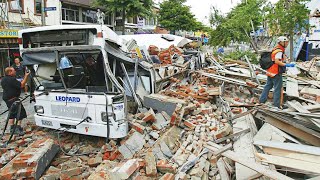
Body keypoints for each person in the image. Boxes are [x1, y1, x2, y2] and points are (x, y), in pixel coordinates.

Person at [259, 36, 295, 108]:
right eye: (286, 42)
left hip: (270, 71)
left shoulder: (276, 49)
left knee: (268, 86)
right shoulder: (279, 51)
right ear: (282, 42)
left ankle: (262, 100)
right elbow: (277, 61)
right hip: (276, 72)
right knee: (278, 88)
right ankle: (277, 105)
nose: (287, 43)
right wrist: (287, 65)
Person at [1, 67, 30, 135]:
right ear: (10, 72)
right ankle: (17, 127)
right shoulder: (11, 79)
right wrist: (26, 76)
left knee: (12, 112)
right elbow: (22, 85)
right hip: (13, 98)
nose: (15, 72)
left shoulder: (3, 79)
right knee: (20, 112)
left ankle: (12, 127)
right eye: (14, 71)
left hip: (7, 98)